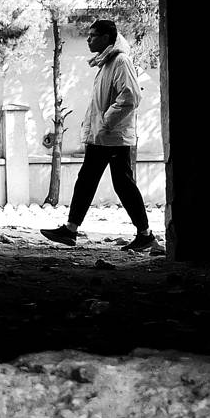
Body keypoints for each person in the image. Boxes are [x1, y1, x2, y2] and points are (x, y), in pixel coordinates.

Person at [41, 19, 157, 252]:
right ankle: (73, 230)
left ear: (106, 38)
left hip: (111, 136)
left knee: (110, 183)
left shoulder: (120, 61)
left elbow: (131, 96)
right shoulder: (107, 63)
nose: (88, 39)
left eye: (93, 35)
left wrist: (106, 123)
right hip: (104, 136)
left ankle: (74, 230)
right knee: (100, 182)